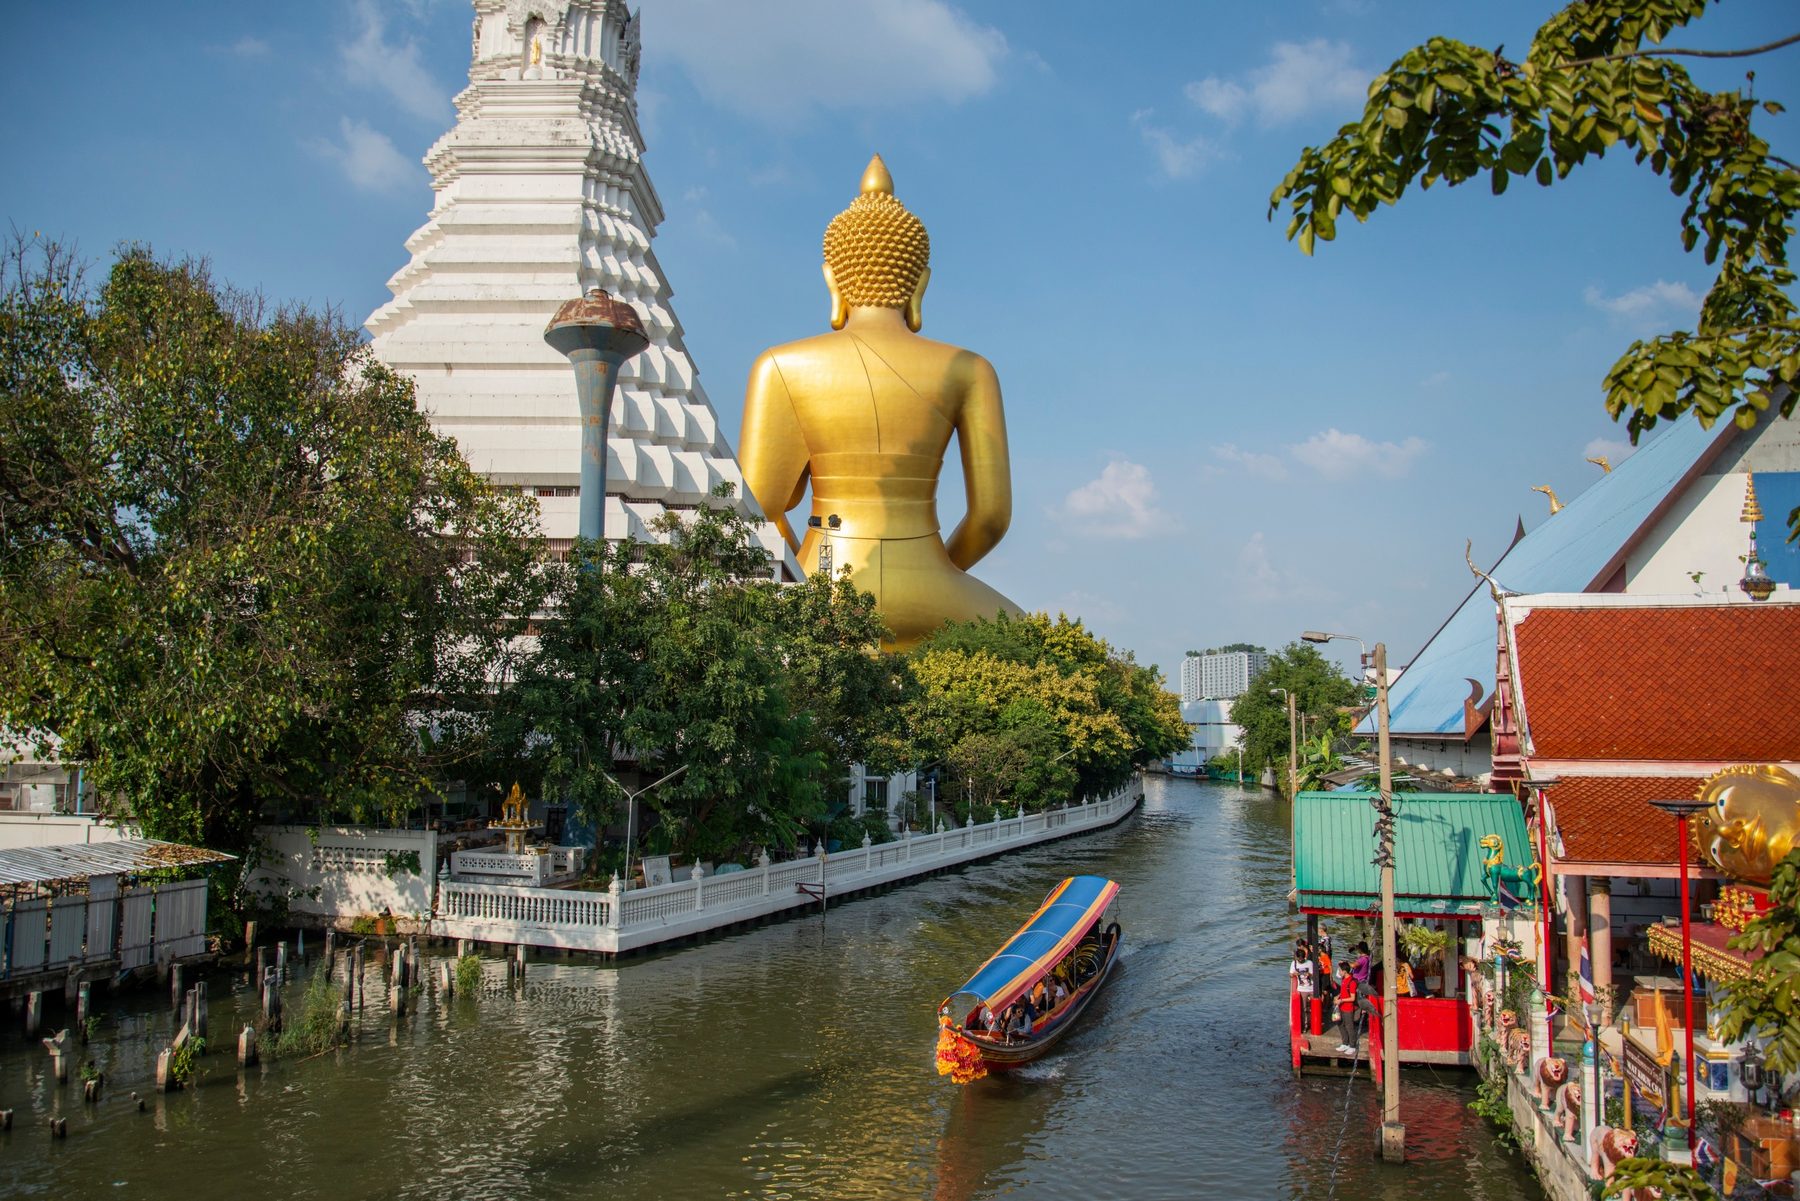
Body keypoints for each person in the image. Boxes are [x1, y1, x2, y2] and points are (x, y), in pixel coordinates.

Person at [1335, 965, 1361, 1055]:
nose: (1339, 972)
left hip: (1348, 1008)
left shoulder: (1352, 982)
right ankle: (1345, 1043)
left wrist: (1341, 1000)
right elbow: (1343, 991)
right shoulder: (1343, 979)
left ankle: (1352, 1046)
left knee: (1349, 1026)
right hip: (1341, 1007)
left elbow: (1352, 998)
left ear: (1344, 971)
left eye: (1340, 970)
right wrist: (1338, 996)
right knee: (1340, 1024)